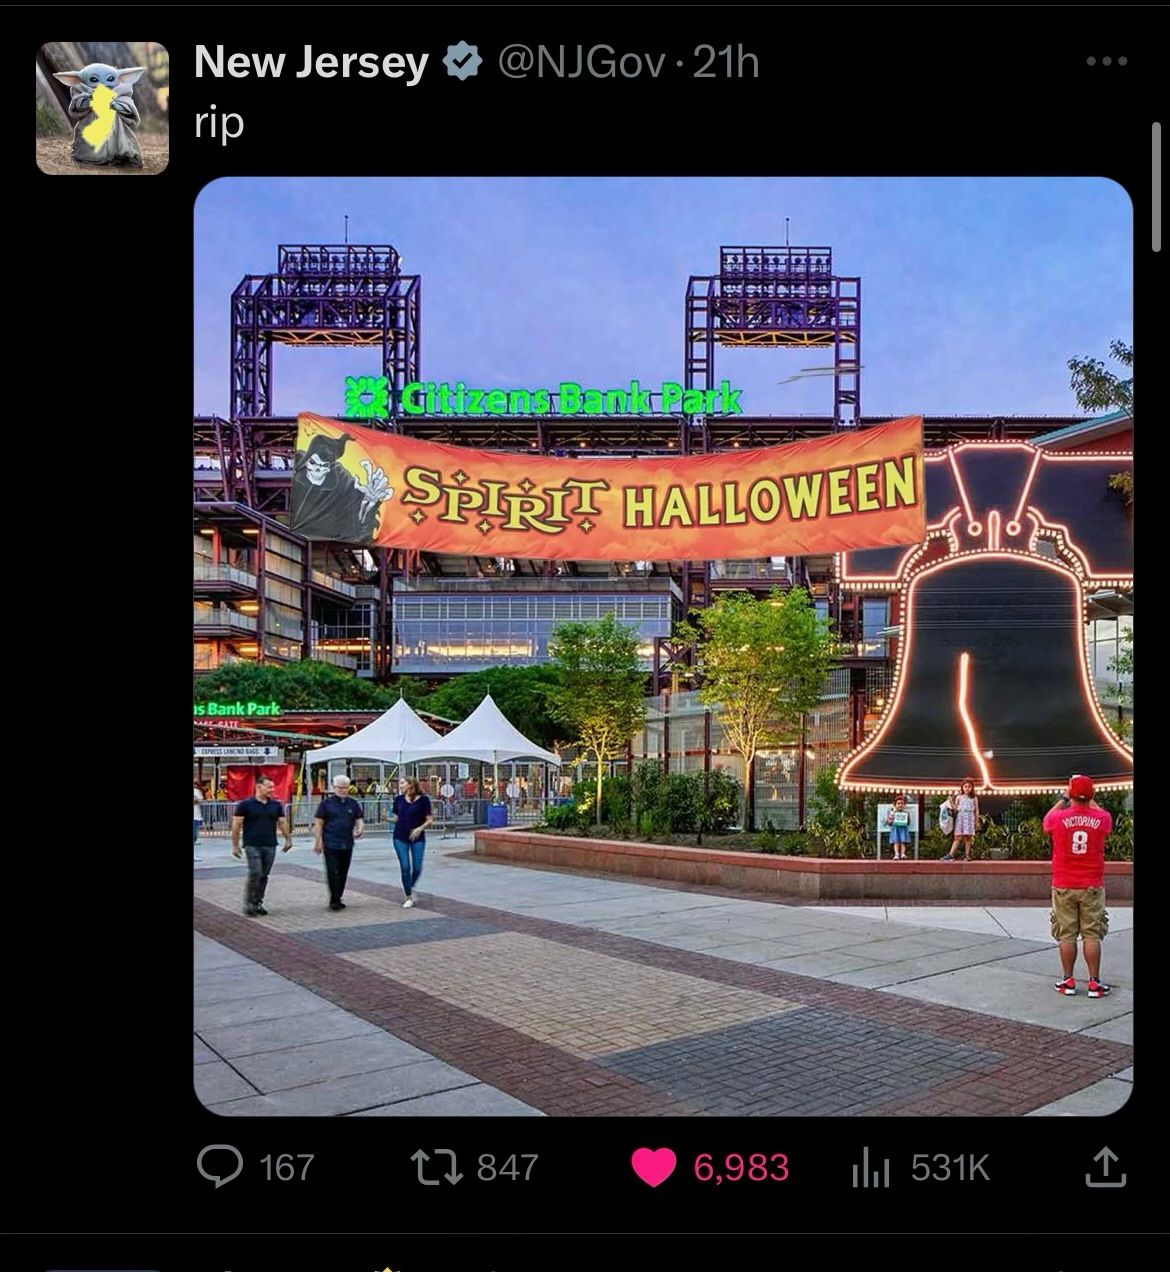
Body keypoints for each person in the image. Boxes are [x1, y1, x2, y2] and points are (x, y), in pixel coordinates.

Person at [1045, 775, 1114, 998]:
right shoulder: (1102, 818)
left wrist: (1064, 798)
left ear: (1070, 794)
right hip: (1092, 884)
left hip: (1064, 883)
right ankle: (1094, 982)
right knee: (1092, 935)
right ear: (1092, 795)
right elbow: (1101, 816)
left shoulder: (1058, 819)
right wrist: (1088, 799)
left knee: (1066, 935)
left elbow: (1046, 821)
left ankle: (1068, 980)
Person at [230, 775, 292, 916]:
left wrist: (288, 839)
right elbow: (236, 825)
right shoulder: (245, 805)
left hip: (270, 844)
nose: (272, 789)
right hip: (252, 844)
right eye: (269, 786)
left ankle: (258, 902)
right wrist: (235, 845)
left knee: (264, 875)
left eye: (272, 786)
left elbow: (282, 822)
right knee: (255, 872)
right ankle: (249, 903)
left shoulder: (275, 805)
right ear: (259, 787)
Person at [313, 774, 365, 912]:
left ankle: (339, 895)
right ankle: (334, 898)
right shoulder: (326, 804)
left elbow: (358, 818)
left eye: (345, 788)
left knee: (343, 871)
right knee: (332, 871)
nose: (342, 790)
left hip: (347, 842)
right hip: (330, 842)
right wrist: (318, 841)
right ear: (334, 787)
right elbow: (318, 823)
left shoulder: (353, 804)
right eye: (339, 788)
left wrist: (360, 827)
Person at [392, 777, 434, 908]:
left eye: (402, 783)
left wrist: (419, 828)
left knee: (417, 867)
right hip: (400, 836)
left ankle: (410, 885)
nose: (400, 785)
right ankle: (408, 896)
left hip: (417, 837)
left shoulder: (423, 800)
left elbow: (430, 820)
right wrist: (386, 818)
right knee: (405, 867)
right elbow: (396, 818)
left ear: (410, 784)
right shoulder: (398, 800)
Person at [941, 779, 979, 861]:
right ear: (962, 787)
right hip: (960, 817)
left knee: (968, 837)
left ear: (972, 788)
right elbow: (956, 808)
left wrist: (976, 820)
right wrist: (951, 802)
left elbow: (976, 810)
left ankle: (967, 855)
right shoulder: (959, 797)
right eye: (965, 786)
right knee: (957, 836)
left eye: (969, 787)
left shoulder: (974, 798)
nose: (967, 788)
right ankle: (951, 854)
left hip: (969, 817)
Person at [885, 794, 911, 860]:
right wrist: (891, 820)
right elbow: (888, 822)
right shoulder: (892, 813)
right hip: (895, 829)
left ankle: (903, 854)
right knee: (896, 841)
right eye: (898, 803)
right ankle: (896, 854)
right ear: (895, 805)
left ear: (904, 805)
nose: (900, 805)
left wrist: (906, 819)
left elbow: (908, 822)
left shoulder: (906, 813)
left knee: (903, 841)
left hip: (903, 829)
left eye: (902, 803)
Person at [193, 782, 204, 862]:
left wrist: (196, 800)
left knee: (194, 836)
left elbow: (200, 800)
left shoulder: (196, 791)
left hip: (195, 817)